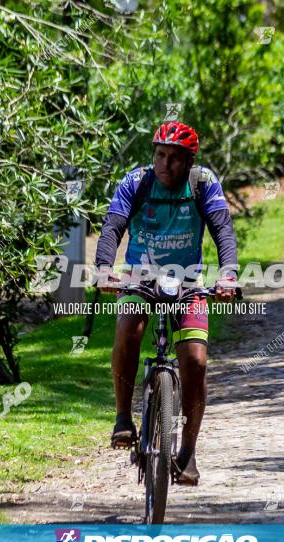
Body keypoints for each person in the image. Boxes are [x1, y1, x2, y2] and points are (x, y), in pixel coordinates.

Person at [94, 121, 239, 486]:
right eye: (160, 154)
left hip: (188, 280)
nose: (165, 164)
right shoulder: (135, 182)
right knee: (128, 328)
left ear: (190, 161)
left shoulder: (203, 183)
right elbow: (112, 227)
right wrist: (102, 270)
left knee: (195, 360)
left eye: (175, 158)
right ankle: (124, 418)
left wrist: (228, 276)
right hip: (139, 275)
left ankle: (187, 451)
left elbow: (222, 230)